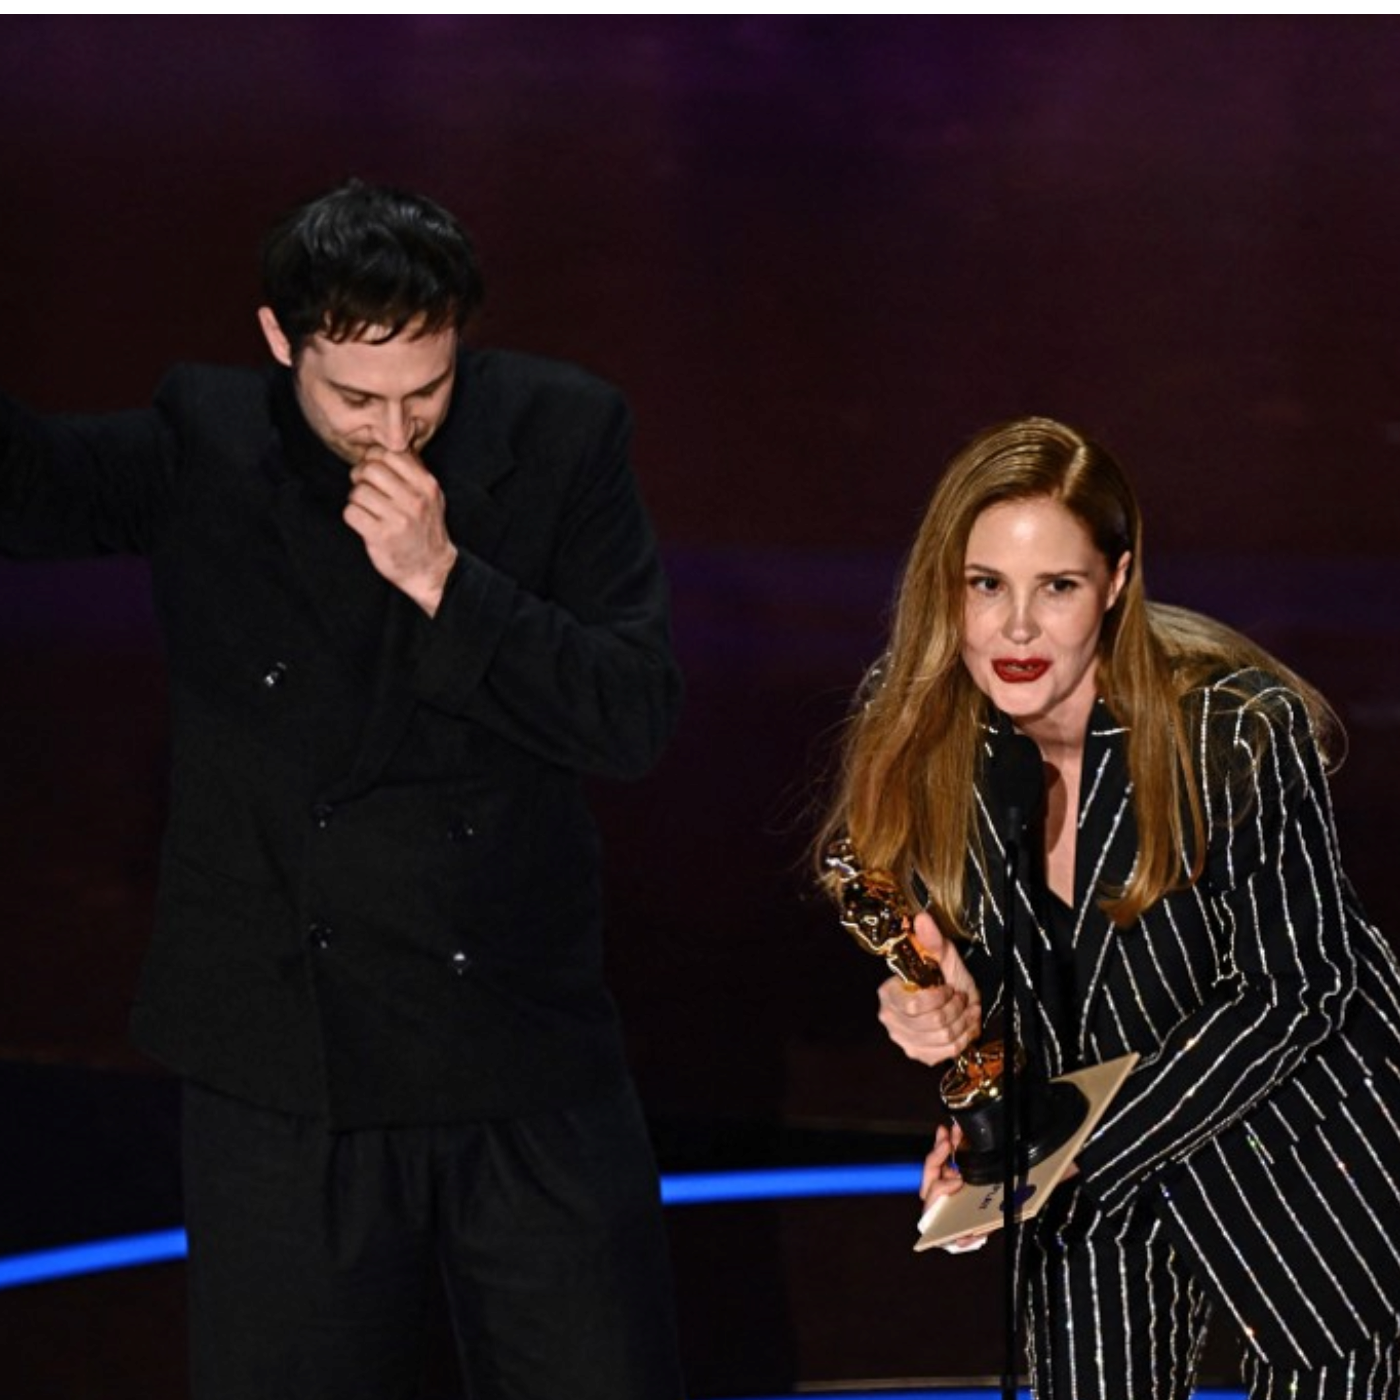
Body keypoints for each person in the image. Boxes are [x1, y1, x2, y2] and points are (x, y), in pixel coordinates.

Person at [0, 177, 687, 1400]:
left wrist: (444, 579)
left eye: (426, 389)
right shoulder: (206, 441)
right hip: (286, 1067)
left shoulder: (563, 433)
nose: (393, 430)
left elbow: (630, 714)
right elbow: (26, 489)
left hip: (519, 1048)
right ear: (280, 339)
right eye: (354, 397)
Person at [814, 415, 1400, 1398]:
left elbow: (1297, 989)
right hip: (1089, 1177)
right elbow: (949, 941)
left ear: (1116, 583)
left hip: (1295, 1152)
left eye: (1057, 586)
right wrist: (941, 1024)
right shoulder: (925, 721)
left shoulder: (1233, 730)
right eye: (985, 584)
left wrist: (1063, 1142)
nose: (1015, 628)